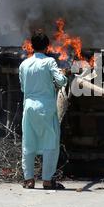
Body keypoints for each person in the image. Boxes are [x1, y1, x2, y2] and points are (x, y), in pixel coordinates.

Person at [18, 33, 68, 190]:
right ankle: (47, 180)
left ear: (31, 46)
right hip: (46, 108)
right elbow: (60, 81)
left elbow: (22, 87)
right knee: (50, 143)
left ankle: (29, 180)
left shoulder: (24, 64)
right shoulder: (49, 62)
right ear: (47, 47)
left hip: (29, 107)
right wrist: (64, 77)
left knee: (28, 143)